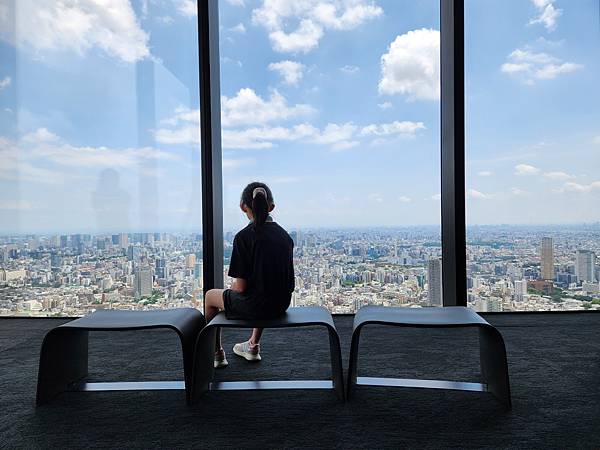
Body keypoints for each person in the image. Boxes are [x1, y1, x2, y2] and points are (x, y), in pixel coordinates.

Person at [204, 182, 295, 368]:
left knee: (210, 296)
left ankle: (216, 354)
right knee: (264, 287)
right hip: (281, 304)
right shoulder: (285, 237)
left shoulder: (244, 237)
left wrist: (230, 291)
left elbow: (241, 287)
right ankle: (253, 345)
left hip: (255, 306)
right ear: (271, 207)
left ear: (243, 207)